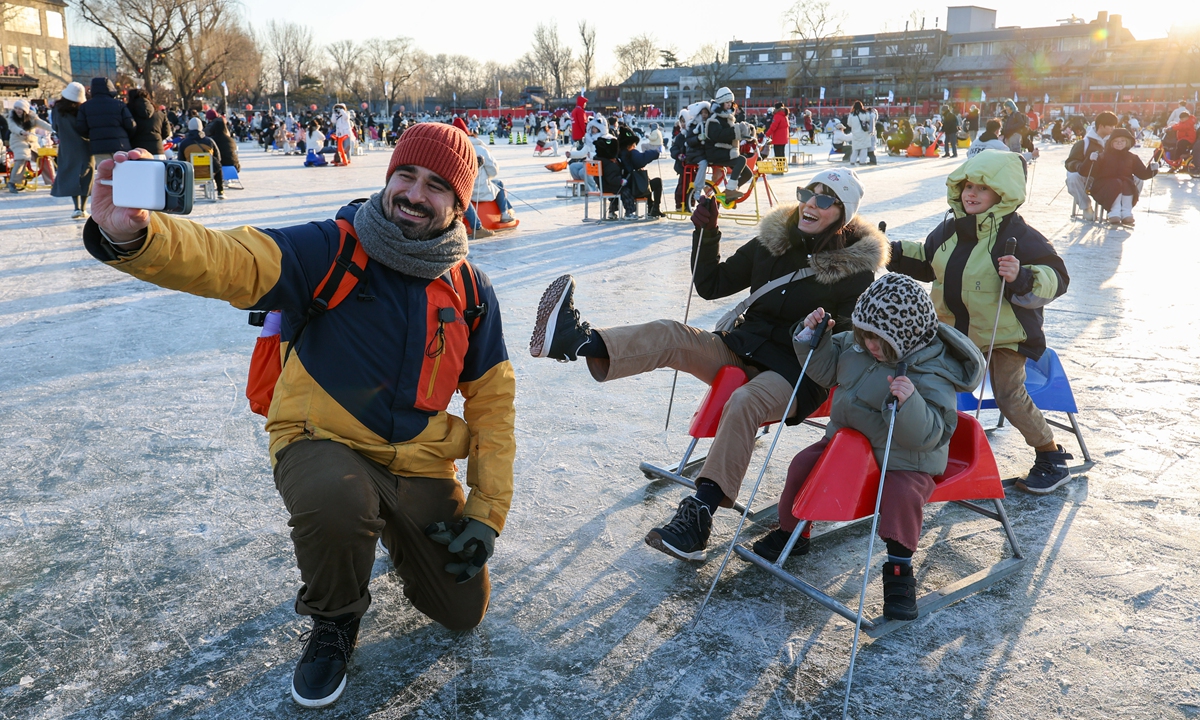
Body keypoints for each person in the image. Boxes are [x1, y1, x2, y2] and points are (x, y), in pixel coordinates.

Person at [82, 122, 514, 708]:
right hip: (320, 438)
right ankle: (335, 619)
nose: (414, 193)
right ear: (388, 177)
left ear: (461, 204)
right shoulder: (331, 247)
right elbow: (231, 259)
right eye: (405, 175)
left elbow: (493, 406)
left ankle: (390, 526)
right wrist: (139, 237)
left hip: (418, 460)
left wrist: (486, 514)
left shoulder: (470, 289)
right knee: (338, 500)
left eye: (437, 186)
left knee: (462, 611)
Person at [528, 170, 887, 560]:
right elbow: (712, 284)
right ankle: (576, 341)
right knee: (672, 334)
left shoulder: (856, 275)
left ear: (843, 213)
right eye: (807, 193)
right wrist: (707, 232)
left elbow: (849, 349)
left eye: (824, 198)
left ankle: (699, 514)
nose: (810, 203)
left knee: (745, 402)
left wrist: (820, 334)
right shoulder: (774, 242)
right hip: (740, 348)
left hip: (796, 373)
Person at [755, 274, 983, 620]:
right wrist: (812, 338)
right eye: (866, 335)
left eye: (882, 342)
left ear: (905, 338)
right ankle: (793, 532)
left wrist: (908, 404)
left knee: (901, 497)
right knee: (803, 467)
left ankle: (899, 570)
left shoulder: (932, 372)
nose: (871, 346)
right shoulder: (857, 346)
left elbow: (932, 433)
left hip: (907, 458)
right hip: (847, 446)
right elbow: (827, 369)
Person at [888, 149, 1074, 494]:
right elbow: (929, 261)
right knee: (928, 386)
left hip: (1005, 337)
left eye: (982, 188)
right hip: (954, 333)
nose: (970, 194)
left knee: (1008, 394)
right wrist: (894, 252)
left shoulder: (1020, 236)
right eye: (967, 186)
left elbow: (1057, 277)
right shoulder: (949, 229)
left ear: (1003, 194)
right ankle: (927, 454)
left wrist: (1023, 276)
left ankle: (1050, 456)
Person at [1083, 128, 1157, 226]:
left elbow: (1142, 174)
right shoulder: (1103, 156)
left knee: (1128, 183)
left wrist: (1152, 170)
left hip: (1124, 184)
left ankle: (1126, 211)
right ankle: (1114, 211)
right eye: (1116, 141)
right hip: (1103, 186)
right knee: (1116, 183)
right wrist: (1090, 161)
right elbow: (1087, 172)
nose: (1119, 143)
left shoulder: (1132, 157)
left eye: (1122, 141)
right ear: (1111, 143)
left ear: (1128, 142)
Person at [51, 83, 95, 218]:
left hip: (67, 147)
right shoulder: (84, 109)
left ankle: (76, 207)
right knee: (86, 175)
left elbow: (55, 127)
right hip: (85, 146)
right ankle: (83, 207)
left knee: (71, 174)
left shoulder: (57, 109)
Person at [1063, 111, 1117, 218]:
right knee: (1073, 178)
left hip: (1107, 179)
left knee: (1135, 180)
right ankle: (1086, 207)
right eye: (1111, 126)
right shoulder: (1084, 143)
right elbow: (1070, 162)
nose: (1113, 128)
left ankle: (1119, 210)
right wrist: (1080, 166)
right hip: (1088, 179)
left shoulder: (1115, 142)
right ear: (1101, 126)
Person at [701, 87, 752, 200]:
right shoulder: (713, 119)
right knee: (741, 160)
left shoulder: (728, 118)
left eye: (730, 102)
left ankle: (729, 194)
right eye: (726, 102)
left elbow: (732, 133)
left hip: (726, 151)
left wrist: (746, 132)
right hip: (715, 151)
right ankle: (730, 190)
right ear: (720, 103)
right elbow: (718, 135)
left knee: (748, 174)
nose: (729, 105)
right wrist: (737, 130)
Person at [75, 77, 135, 167]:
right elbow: (131, 124)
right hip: (120, 144)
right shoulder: (119, 104)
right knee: (123, 173)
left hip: (99, 145)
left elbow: (81, 128)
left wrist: (92, 135)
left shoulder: (85, 107)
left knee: (105, 174)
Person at [5, 99, 52, 193]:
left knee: (44, 158)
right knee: (22, 157)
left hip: (32, 142)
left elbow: (42, 124)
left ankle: (52, 181)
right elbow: (13, 127)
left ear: (25, 110)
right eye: (16, 108)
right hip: (18, 141)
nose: (17, 110)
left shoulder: (32, 118)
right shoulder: (11, 117)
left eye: (20, 109)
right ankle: (12, 182)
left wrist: (53, 129)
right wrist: (21, 132)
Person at [616, 125, 663, 219]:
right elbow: (641, 159)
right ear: (630, 144)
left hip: (626, 185)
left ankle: (651, 207)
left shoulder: (620, 153)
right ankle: (654, 208)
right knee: (657, 182)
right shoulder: (630, 153)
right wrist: (655, 153)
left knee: (645, 179)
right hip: (634, 187)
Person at [177, 117, 226, 200]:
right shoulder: (209, 141)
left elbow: (181, 162)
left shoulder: (184, 143)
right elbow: (218, 158)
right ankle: (220, 191)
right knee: (217, 165)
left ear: (189, 127)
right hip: (208, 173)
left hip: (191, 174)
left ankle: (182, 193)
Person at [127, 88, 170, 158]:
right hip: (157, 150)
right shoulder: (159, 113)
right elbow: (167, 132)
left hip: (136, 151)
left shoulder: (128, 112)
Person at [848, 101, 876, 165]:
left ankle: (852, 161)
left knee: (855, 148)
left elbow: (849, 124)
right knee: (864, 148)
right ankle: (862, 161)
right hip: (864, 133)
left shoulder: (851, 114)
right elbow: (869, 119)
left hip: (855, 133)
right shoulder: (865, 113)